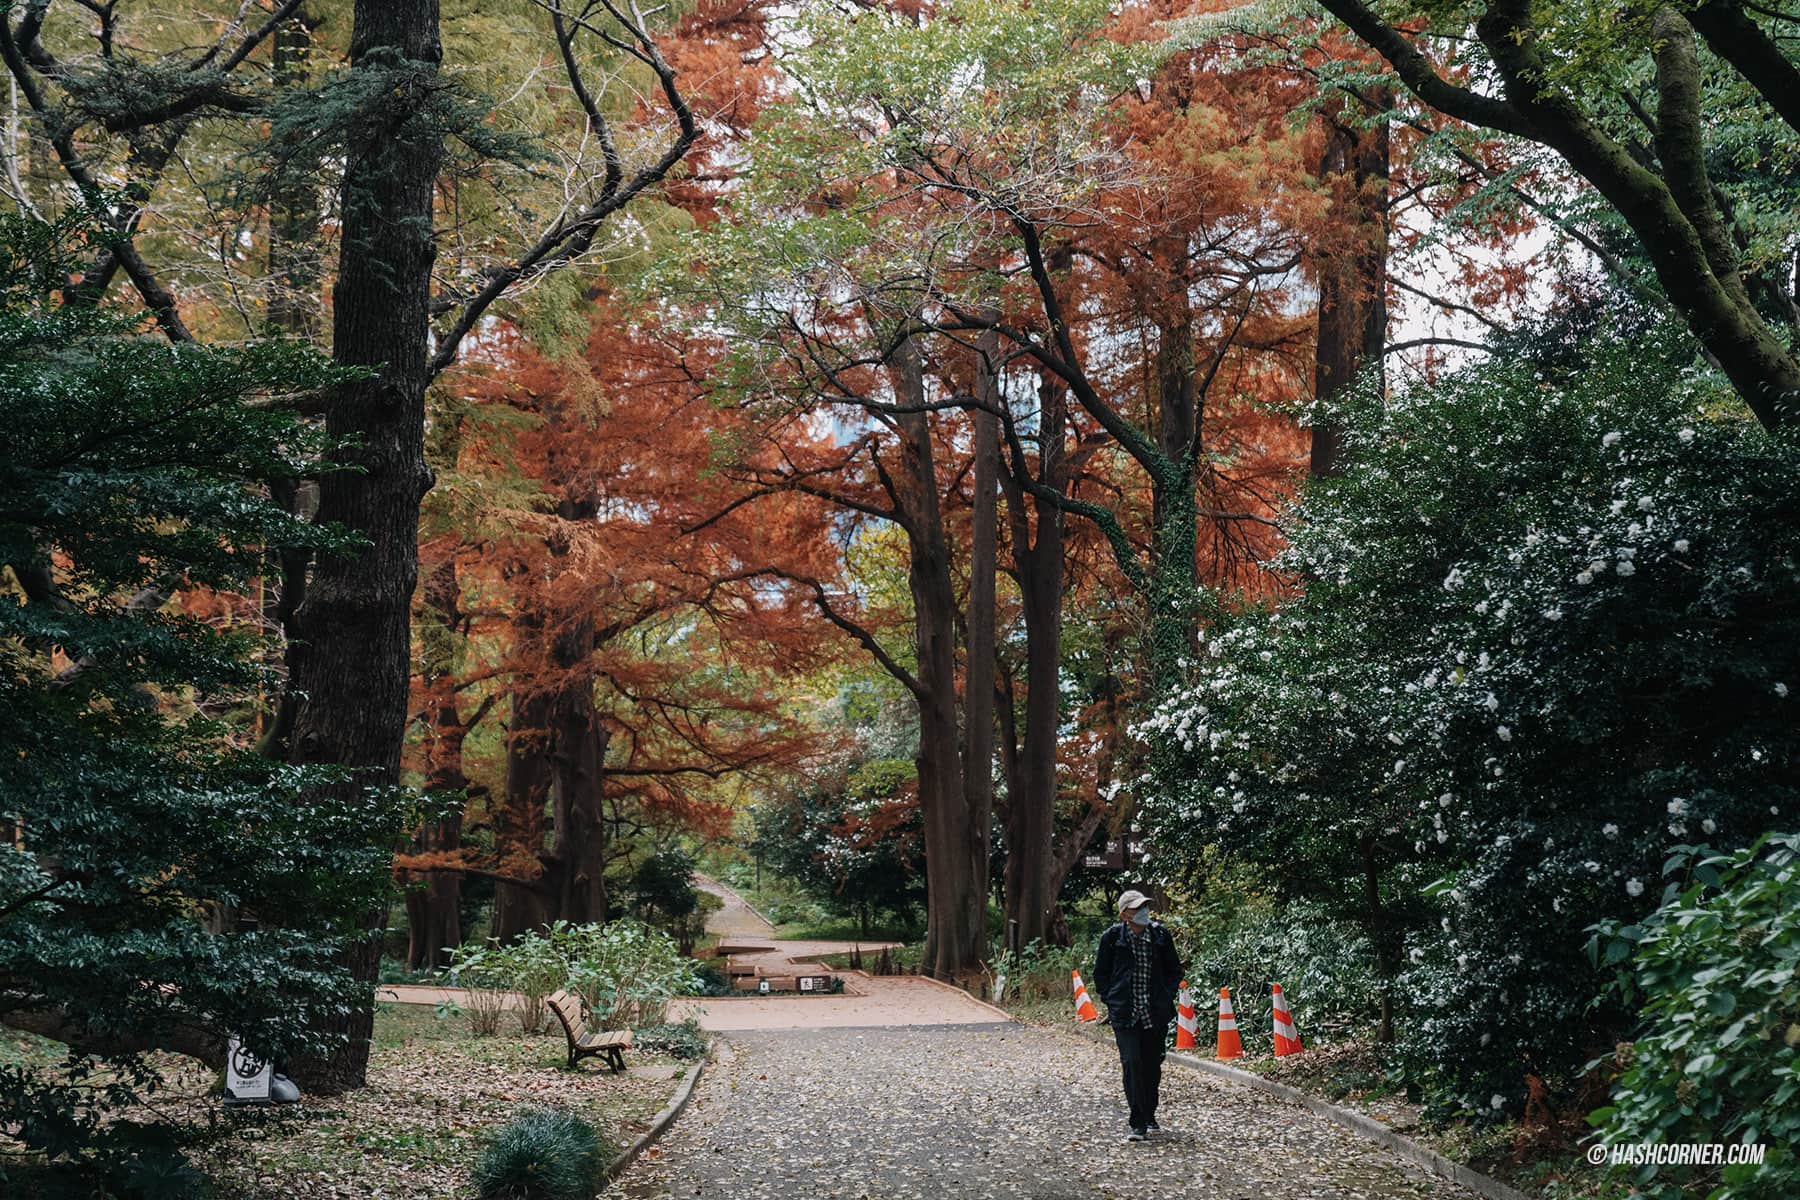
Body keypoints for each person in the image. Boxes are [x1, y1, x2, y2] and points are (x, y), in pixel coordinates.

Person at [1092, 888, 1183, 1141]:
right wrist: (1110, 999)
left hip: (1154, 1012)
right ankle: (1137, 1122)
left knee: (1152, 1065)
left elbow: (1174, 970)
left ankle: (1149, 1112)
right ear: (1124, 915)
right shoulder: (1111, 938)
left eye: (1144, 906)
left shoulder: (1160, 936)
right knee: (1131, 1063)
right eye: (1136, 908)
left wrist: (1166, 994)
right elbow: (1101, 973)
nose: (1143, 912)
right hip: (1125, 1013)